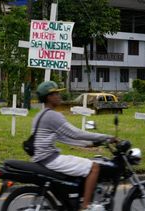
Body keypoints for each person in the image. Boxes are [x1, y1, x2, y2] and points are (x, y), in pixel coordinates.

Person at [32, 81, 115, 211]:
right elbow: (75, 133)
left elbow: (63, 138)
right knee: (94, 167)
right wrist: (107, 137)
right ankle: (85, 207)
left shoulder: (40, 115)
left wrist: (88, 144)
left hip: (42, 157)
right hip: (50, 158)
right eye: (56, 93)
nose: (59, 96)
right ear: (49, 97)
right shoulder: (52, 115)